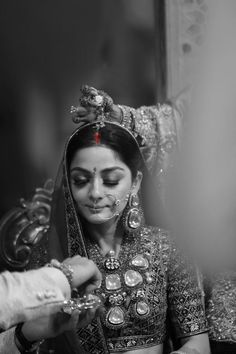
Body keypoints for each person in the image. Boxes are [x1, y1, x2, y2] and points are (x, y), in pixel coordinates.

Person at [21, 86, 209, 353]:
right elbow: (27, 342)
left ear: (135, 183)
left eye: (111, 180)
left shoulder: (168, 248)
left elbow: (196, 344)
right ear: (68, 186)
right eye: (81, 180)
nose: (96, 193)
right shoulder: (52, 255)